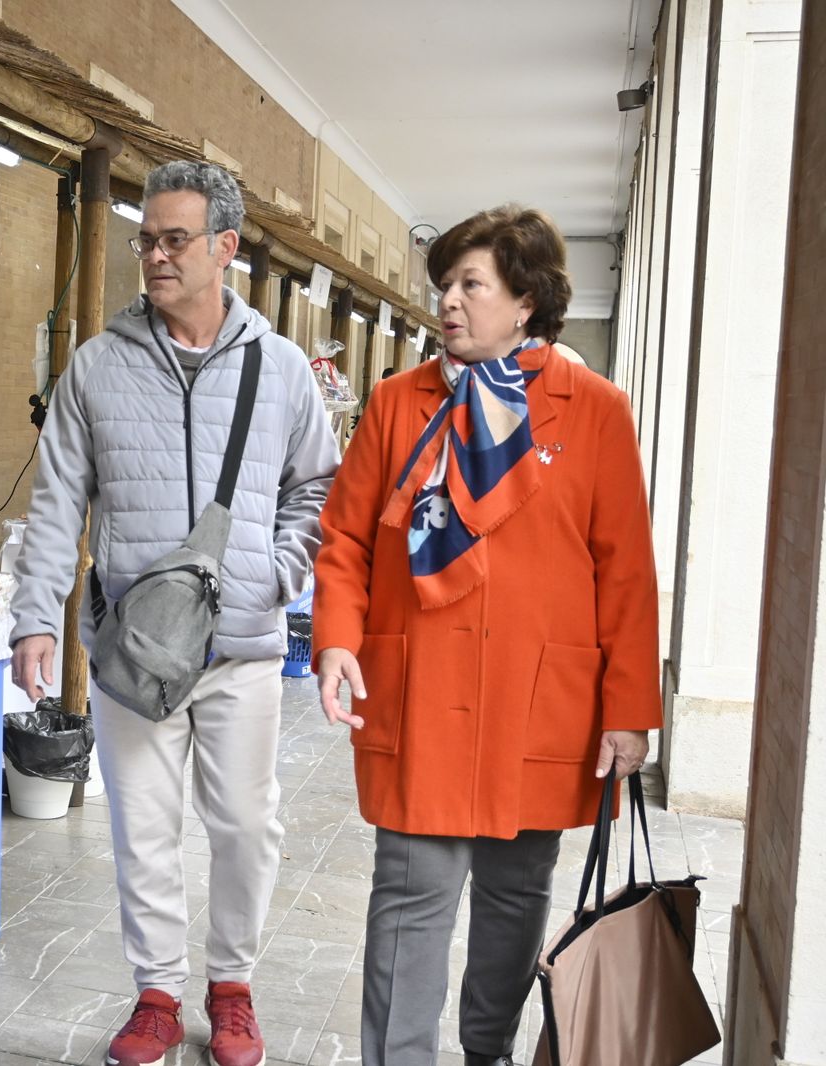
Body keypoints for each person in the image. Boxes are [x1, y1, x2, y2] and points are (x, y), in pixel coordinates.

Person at [312, 205, 661, 1066]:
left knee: (515, 898)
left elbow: (624, 571)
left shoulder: (595, 411)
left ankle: (487, 1051)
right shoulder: (398, 403)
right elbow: (346, 537)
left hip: (536, 700)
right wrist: (337, 640)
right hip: (420, 691)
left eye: (472, 284)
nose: (449, 302)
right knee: (409, 897)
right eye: (445, 285)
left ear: (526, 299)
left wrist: (629, 710)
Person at [10, 160, 339, 1066]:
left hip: (240, 648)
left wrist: (275, 573)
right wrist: (35, 616)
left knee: (246, 828)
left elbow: (318, 486)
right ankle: (156, 993)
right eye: (146, 239)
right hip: (133, 648)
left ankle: (232, 989)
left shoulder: (278, 369)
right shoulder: (98, 367)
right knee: (144, 829)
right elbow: (57, 501)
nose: (155, 255)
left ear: (224, 248)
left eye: (174, 239)